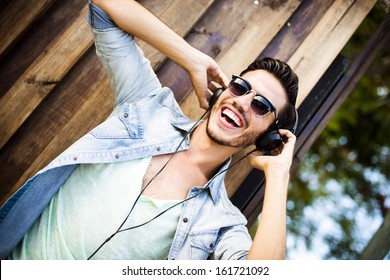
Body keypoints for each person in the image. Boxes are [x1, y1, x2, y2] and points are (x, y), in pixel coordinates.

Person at [0, 0, 298, 260]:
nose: (243, 102)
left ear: (267, 136)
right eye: (241, 87)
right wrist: (190, 57)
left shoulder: (220, 221)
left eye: (261, 105)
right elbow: (104, 5)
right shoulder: (147, 105)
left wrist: (278, 174)